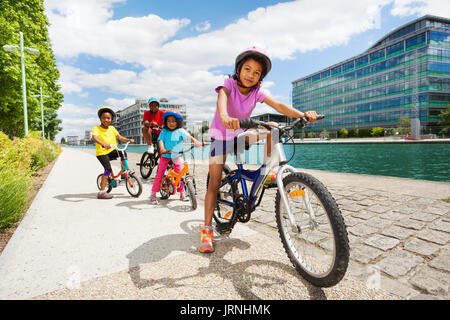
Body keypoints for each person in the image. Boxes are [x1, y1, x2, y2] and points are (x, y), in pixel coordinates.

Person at [199, 46, 318, 253]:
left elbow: (279, 105)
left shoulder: (257, 92)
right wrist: (225, 117)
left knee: (273, 129)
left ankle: (268, 172)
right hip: (220, 137)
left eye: (256, 73)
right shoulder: (227, 83)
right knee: (214, 183)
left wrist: (302, 115)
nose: (251, 75)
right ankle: (207, 228)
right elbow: (222, 99)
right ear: (238, 69)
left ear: (261, 77)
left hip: (240, 134)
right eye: (247, 69)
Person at [149, 109, 203, 205]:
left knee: (180, 174)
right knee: (160, 173)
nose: (171, 123)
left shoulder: (181, 131)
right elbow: (160, 140)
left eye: (173, 121)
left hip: (176, 154)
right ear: (165, 122)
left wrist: (196, 142)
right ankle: (153, 194)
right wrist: (161, 148)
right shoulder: (164, 131)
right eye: (169, 121)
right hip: (165, 154)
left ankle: (182, 193)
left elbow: (189, 137)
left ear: (178, 122)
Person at [92, 106, 135, 199]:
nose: (106, 120)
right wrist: (103, 144)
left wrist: (128, 140)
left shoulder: (112, 128)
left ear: (111, 120)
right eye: (104, 118)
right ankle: (102, 192)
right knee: (107, 170)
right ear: (100, 119)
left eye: (108, 118)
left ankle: (124, 172)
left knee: (123, 153)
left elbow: (120, 137)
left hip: (112, 150)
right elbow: (95, 137)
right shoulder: (96, 128)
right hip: (102, 152)